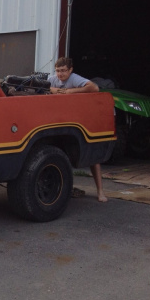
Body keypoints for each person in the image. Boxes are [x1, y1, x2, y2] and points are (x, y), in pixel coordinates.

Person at [48, 57, 108, 202]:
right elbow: (42, 86)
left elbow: (94, 88)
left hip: (83, 119)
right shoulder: (53, 79)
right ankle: (65, 188)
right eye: (57, 71)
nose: (60, 74)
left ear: (70, 70)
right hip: (61, 120)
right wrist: (53, 89)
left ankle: (100, 192)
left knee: (94, 158)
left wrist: (70, 92)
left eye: (63, 71)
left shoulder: (74, 79)